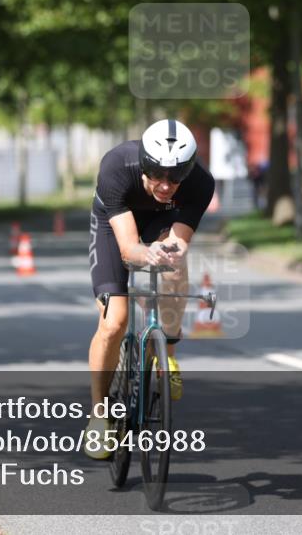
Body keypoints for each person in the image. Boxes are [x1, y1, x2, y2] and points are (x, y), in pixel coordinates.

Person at [84, 119, 215, 459]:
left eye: (176, 177)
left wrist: (168, 253)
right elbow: (128, 249)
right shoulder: (117, 166)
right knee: (115, 321)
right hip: (115, 227)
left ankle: (167, 352)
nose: (166, 185)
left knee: (174, 265)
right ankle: (99, 414)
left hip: (161, 224)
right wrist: (145, 254)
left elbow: (179, 241)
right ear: (144, 164)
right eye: (157, 174)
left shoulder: (200, 184)